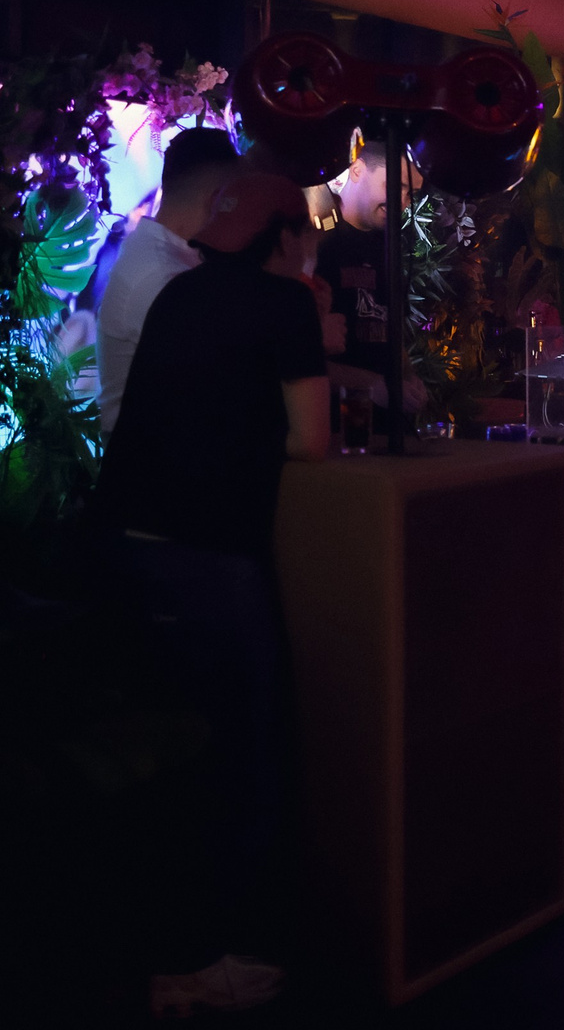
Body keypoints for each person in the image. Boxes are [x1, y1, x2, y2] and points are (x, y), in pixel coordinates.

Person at [92, 168, 331, 1019]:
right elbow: (312, 441)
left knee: (170, 755)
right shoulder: (286, 305)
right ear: (286, 237)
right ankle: (209, 961)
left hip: (121, 541)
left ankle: (163, 958)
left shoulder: (180, 295)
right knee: (240, 752)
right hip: (207, 554)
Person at [96, 128, 239, 435]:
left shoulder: (166, 256)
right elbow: (219, 380)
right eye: (233, 201)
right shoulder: (160, 276)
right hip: (151, 457)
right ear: (216, 199)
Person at [314, 139, 428, 417]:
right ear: (356, 170)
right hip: (334, 423)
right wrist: (373, 385)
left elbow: (390, 330)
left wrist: (409, 378)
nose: (402, 203)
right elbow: (297, 357)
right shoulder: (318, 241)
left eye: (411, 194)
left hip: (385, 423)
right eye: (395, 187)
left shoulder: (387, 245)